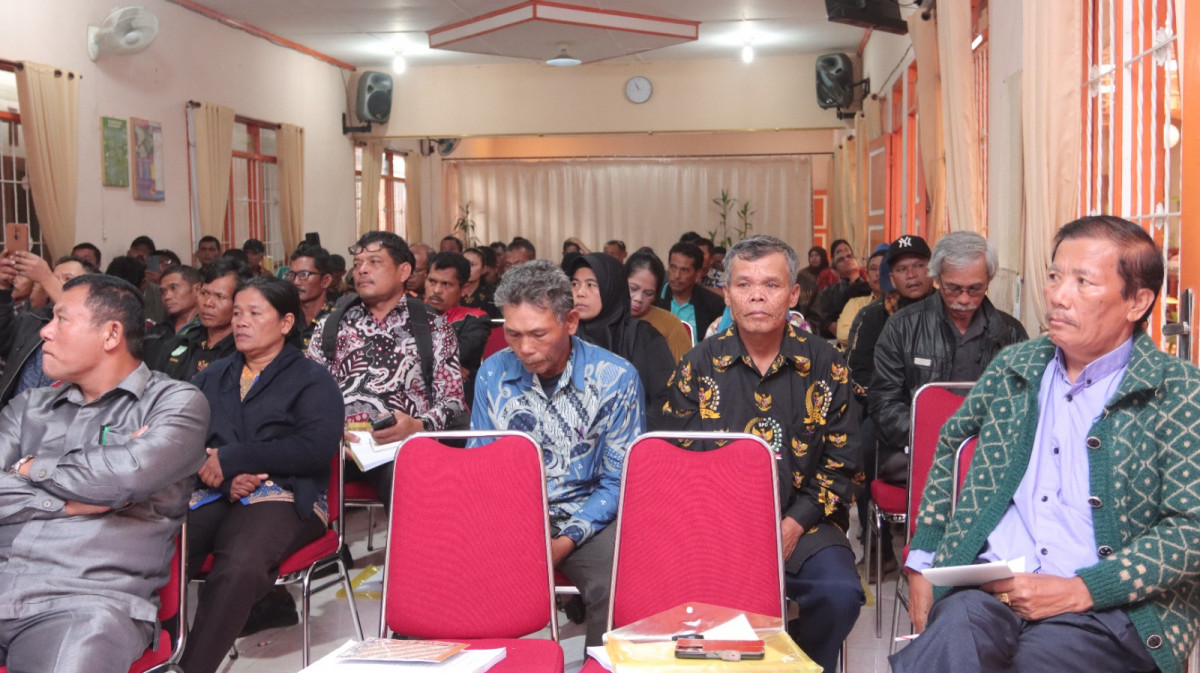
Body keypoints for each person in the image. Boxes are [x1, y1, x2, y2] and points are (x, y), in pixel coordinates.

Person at [891, 215, 1200, 673]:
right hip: (994, 590)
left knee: (1032, 661)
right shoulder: (1016, 366)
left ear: (1137, 302)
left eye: (1082, 282)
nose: (1058, 295)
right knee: (953, 634)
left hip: (1111, 606)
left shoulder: (1178, 390)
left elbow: (1190, 529)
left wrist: (1082, 590)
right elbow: (951, 440)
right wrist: (923, 557)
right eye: (1055, 276)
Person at [661, 235, 864, 673]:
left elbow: (843, 461)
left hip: (806, 522)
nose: (756, 295)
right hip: (717, 525)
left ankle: (803, 664)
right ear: (727, 293)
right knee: (679, 595)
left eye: (771, 285)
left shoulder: (827, 364)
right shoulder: (697, 366)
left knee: (840, 593)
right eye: (744, 284)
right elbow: (677, 463)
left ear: (792, 295)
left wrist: (794, 524)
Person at [0, 274, 208, 673]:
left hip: (84, 602)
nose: (45, 331)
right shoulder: (30, 406)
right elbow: (116, 475)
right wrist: (66, 504)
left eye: (61, 319)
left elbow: (127, 476)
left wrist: (28, 467)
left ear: (111, 334)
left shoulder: (175, 403)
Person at [471, 259, 645, 648]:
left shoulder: (615, 379)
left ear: (570, 322)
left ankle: (598, 667)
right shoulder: (493, 374)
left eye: (538, 334)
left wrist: (563, 542)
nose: (524, 349)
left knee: (616, 584)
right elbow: (481, 464)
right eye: (513, 334)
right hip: (511, 513)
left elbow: (619, 480)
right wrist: (511, 530)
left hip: (589, 514)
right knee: (442, 572)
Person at [180, 277, 342, 673]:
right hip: (214, 489)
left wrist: (234, 457)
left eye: (254, 313)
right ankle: (156, 654)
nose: (241, 322)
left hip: (284, 492)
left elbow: (314, 448)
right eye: (237, 313)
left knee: (241, 563)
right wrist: (217, 473)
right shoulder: (212, 375)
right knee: (163, 548)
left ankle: (191, 667)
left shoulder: (312, 378)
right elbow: (182, 434)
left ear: (286, 323)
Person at [308, 231, 465, 509]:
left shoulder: (433, 328)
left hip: (403, 448)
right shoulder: (330, 327)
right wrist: (330, 432)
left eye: (374, 262)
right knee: (291, 475)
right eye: (358, 264)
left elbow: (453, 401)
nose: (362, 270)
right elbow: (308, 398)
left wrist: (418, 426)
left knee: (407, 478)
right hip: (337, 447)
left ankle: (414, 539)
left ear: (403, 271)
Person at [870, 232, 1027, 485]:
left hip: (987, 455)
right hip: (920, 451)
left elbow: (1023, 406)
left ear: (988, 280)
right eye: (953, 288)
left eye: (975, 289)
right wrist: (937, 435)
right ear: (937, 277)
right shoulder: (902, 327)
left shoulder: (1009, 333)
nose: (964, 299)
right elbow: (883, 403)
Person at [568, 253, 674, 429]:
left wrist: (630, 431)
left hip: (636, 436)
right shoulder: (563, 336)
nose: (580, 293)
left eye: (591, 285)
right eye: (574, 284)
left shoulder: (643, 336)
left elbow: (667, 397)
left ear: (612, 288)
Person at [0, 254, 95, 408]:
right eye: (54, 278)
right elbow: (3, 341)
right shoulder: (34, 318)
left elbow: (82, 315)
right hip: (15, 415)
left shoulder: (96, 327)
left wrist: (46, 278)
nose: (55, 283)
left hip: (64, 416)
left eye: (68, 279)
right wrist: (3, 289)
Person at [156, 257, 249, 382]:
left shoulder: (245, 350)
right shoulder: (180, 342)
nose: (208, 303)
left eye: (219, 296)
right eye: (204, 293)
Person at [425, 252, 490, 409]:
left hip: (459, 403)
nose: (436, 290)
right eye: (432, 281)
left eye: (446, 284)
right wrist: (448, 371)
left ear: (463, 289)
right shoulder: (407, 314)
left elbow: (460, 352)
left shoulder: (475, 319)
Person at [626, 250, 692, 362]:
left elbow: (684, 370)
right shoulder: (605, 316)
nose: (638, 298)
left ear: (655, 295)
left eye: (648, 293)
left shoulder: (671, 325)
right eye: (633, 288)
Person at [654, 241, 724, 338]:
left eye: (684, 270)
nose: (676, 275)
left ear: (698, 274)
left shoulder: (714, 305)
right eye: (673, 268)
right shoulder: (654, 299)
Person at [143, 264, 203, 370]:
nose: (167, 297)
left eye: (173, 288)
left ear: (197, 289)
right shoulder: (154, 332)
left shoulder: (209, 332)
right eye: (163, 292)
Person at [811, 240, 869, 339]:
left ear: (857, 263)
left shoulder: (870, 287)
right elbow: (820, 319)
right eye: (841, 259)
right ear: (835, 270)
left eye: (849, 256)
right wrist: (830, 325)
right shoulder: (829, 292)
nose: (846, 260)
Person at [836, 244, 886, 347]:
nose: (878, 273)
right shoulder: (855, 304)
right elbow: (843, 334)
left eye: (883, 268)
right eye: (873, 269)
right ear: (867, 276)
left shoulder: (903, 303)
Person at [286, 243, 334, 348]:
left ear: (325, 281)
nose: (295, 282)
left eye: (303, 275)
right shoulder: (285, 318)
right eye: (292, 275)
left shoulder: (337, 320)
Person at [461, 246, 500, 318]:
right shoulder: (453, 292)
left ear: (483, 269)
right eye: (464, 264)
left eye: (472, 265)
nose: (467, 268)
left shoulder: (493, 294)